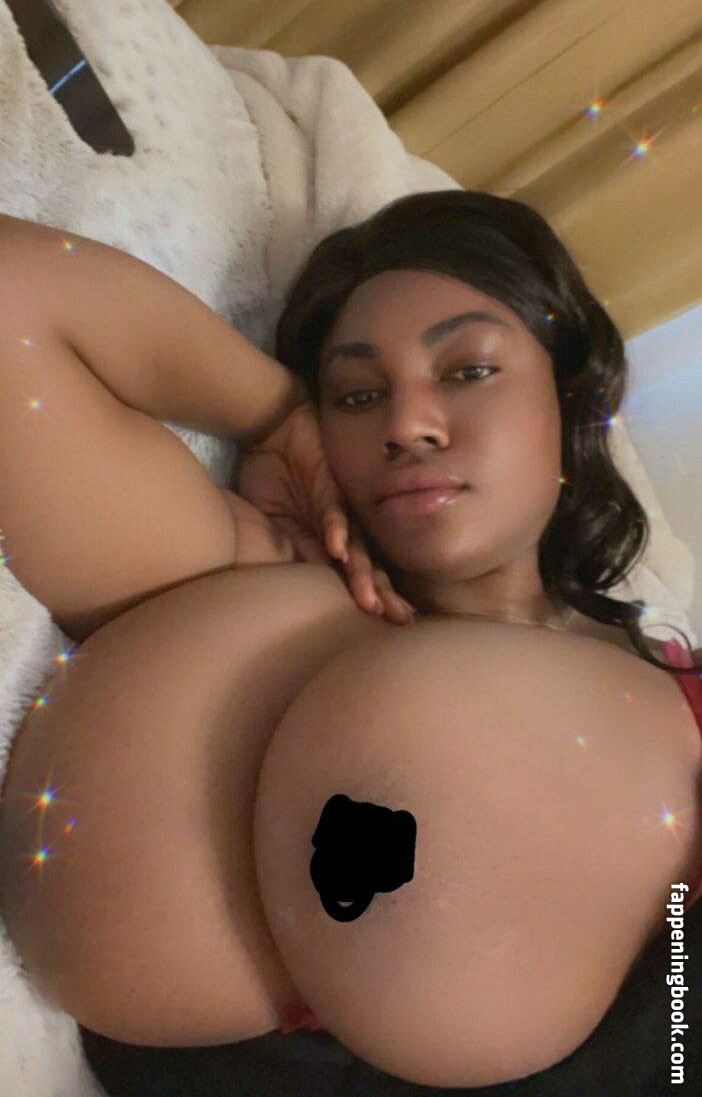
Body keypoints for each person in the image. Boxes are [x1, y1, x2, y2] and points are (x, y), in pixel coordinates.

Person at [0, 193, 699, 1089]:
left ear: (568, 398)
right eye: (358, 396)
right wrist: (272, 417)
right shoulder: (258, 567)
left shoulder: (676, 697)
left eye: (468, 370)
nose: (406, 426)